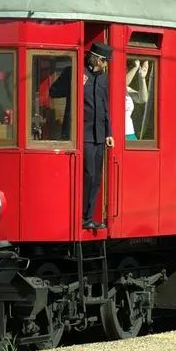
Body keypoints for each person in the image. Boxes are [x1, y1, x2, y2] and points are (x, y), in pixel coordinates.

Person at [49, 42, 114, 230]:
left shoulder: (103, 79)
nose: (106, 64)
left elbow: (106, 107)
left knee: (96, 178)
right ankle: (80, 217)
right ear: (96, 58)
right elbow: (53, 92)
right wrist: (74, 84)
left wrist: (109, 133)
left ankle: (88, 217)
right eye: (105, 61)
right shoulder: (75, 71)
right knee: (88, 174)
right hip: (80, 133)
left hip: (99, 134)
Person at [124, 59, 150, 140]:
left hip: (129, 133)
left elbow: (143, 99)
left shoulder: (127, 89)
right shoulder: (110, 86)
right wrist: (136, 67)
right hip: (116, 133)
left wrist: (142, 78)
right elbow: (121, 84)